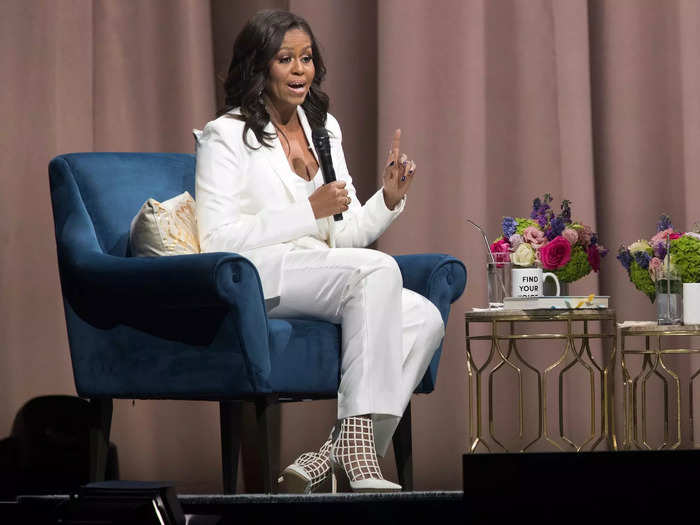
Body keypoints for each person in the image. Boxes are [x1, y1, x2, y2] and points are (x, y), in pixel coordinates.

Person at [195, 9, 444, 493]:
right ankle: (358, 453)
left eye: (306, 59)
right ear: (259, 66)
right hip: (261, 273)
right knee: (376, 273)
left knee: (424, 318)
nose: (299, 70)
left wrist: (387, 200)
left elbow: (342, 234)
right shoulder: (225, 135)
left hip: (321, 267)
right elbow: (217, 239)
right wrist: (306, 211)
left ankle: (329, 455)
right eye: (285, 59)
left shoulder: (322, 127)